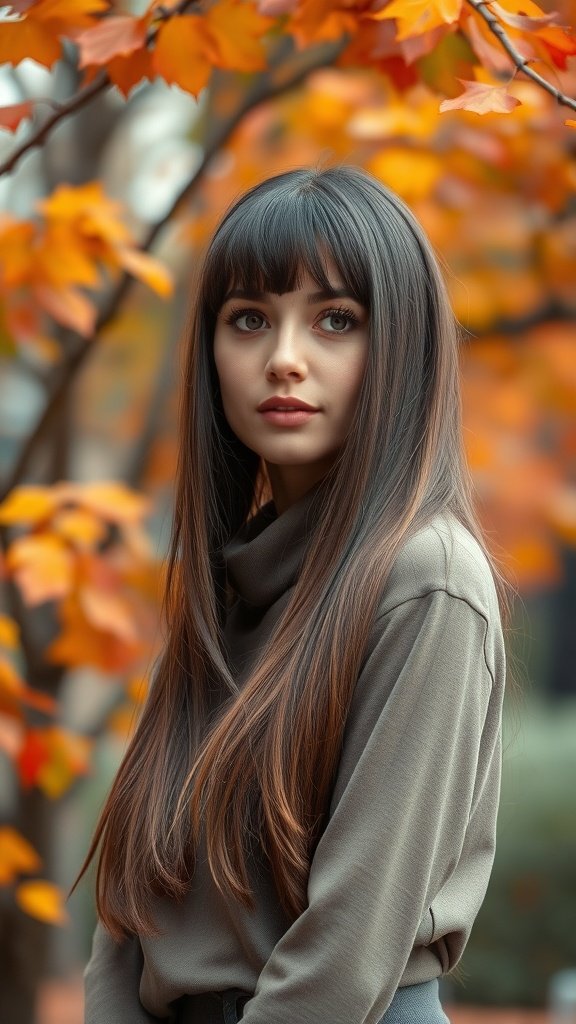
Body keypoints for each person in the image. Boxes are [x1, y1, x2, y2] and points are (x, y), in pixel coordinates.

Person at [82, 166, 509, 1024]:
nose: (283, 357)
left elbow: (348, 949)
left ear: (403, 347)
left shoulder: (426, 580)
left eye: (336, 320)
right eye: (249, 319)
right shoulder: (234, 581)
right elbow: (132, 910)